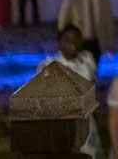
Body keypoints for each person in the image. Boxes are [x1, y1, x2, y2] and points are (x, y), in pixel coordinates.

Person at [38, 25, 100, 157]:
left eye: (76, 39)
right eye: (67, 39)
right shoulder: (49, 65)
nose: (72, 43)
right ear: (59, 44)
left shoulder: (87, 61)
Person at [58, 0, 115, 65]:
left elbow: (108, 22)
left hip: (96, 42)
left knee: (94, 69)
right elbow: (63, 21)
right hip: (78, 41)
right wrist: (63, 43)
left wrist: (110, 43)